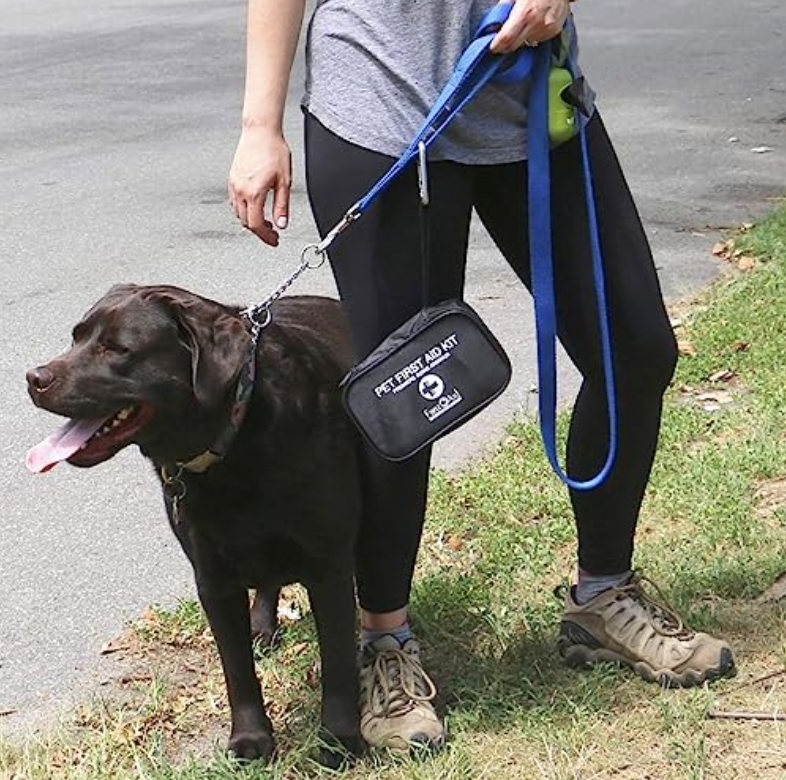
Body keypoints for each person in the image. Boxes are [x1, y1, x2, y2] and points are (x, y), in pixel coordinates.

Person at [228, 0, 736, 753]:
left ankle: (603, 595)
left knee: (635, 347)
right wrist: (258, 125)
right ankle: (384, 642)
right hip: (383, 104)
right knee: (406, 395)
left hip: (531, 95)